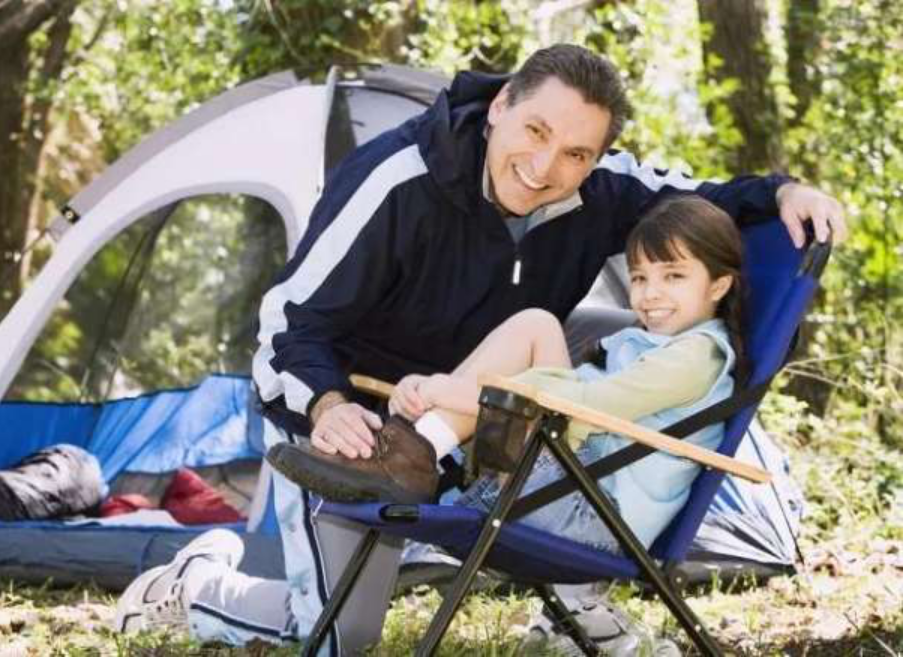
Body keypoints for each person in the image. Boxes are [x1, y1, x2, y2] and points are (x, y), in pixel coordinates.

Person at [116, 44, 846, 653]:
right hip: (353, 433)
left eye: (576, 152)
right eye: (534, 131)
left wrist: (782, 192)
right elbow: (287, 322)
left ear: (597, 155)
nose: (545, 166)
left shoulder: (602, 188)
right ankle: (199, 583)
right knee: (341, 639)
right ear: (499, 107)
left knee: (583, 335)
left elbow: (706, 207)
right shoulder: (395, 180)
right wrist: (330, 404)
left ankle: (570, 602)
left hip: (463, 430)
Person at [270, 194, 744, 553]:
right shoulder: (645, 343)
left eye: (674, 276)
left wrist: (455, 392)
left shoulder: (697, 355)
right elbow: (568, 393)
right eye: (640, 277)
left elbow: (587, 406)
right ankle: (416, 446)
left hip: (595, 517)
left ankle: (415, 451)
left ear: (719, 285)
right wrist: (451, 392)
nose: (649, 293)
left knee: (529, 368)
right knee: (536, 324)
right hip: (575, 488)